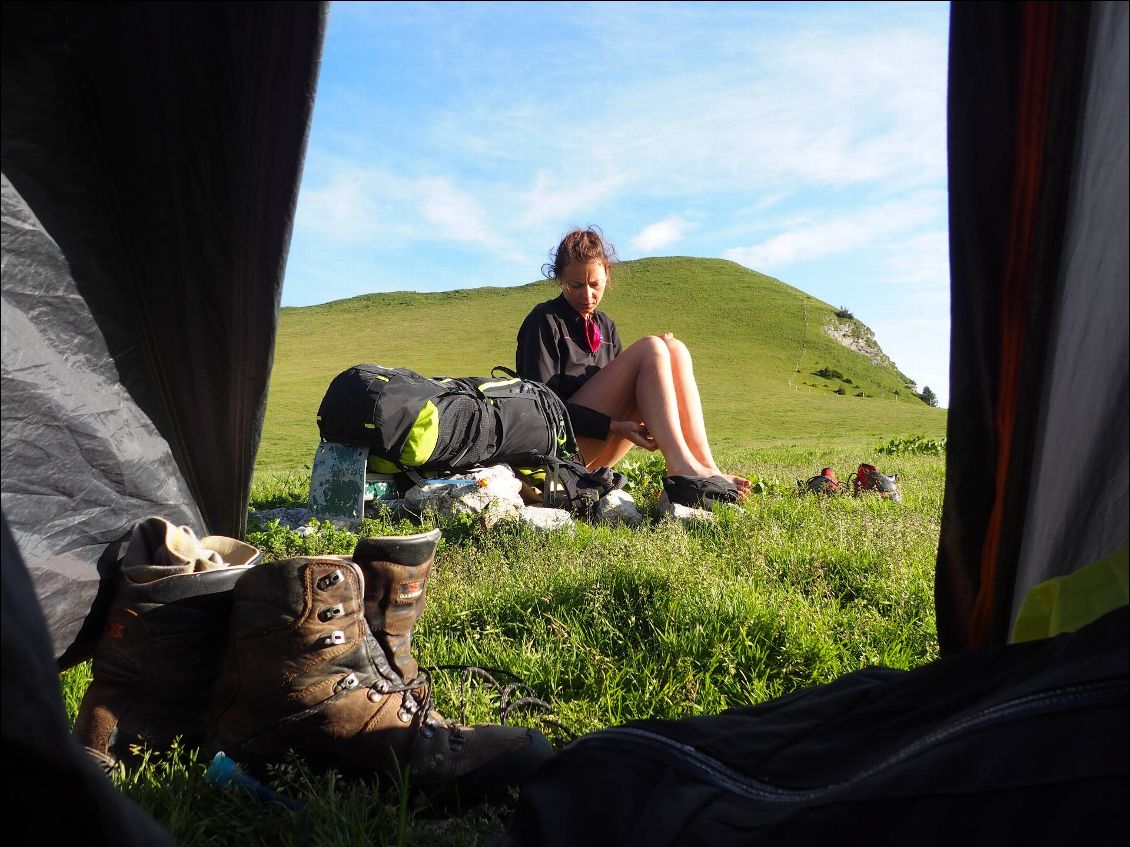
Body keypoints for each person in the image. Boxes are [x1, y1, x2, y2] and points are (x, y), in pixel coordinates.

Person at [515, 227, 750, 504]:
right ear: (559, 280)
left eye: (595, 284)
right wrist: (612, 425)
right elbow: (543, 409)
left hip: (597, 452)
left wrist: (663, 359)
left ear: (607, 276)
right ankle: (681, 471)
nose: (587, 295)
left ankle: (707, 467)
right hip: (557, 454)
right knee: (651, 348)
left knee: (675, 350)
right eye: (575, 285)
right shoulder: (544, 320)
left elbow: (632, 390)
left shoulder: (606, 327)